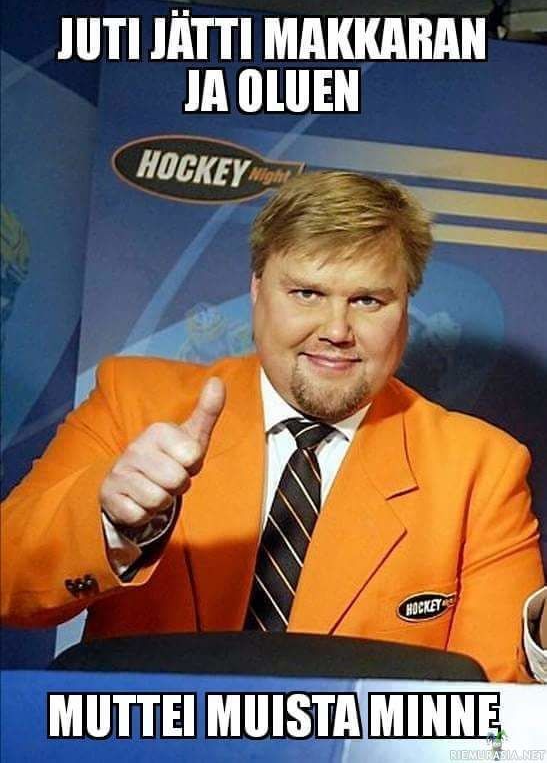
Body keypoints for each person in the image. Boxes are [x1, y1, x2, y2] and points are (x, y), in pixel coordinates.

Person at [1, 172, 545, 681]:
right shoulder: (137, 400)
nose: (336, 330)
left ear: (405, 308)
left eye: (368, 300)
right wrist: (109, 524)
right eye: (307, 294)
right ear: (257, 290)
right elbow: (8, 576)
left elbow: (498, 707)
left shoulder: (479, 468)